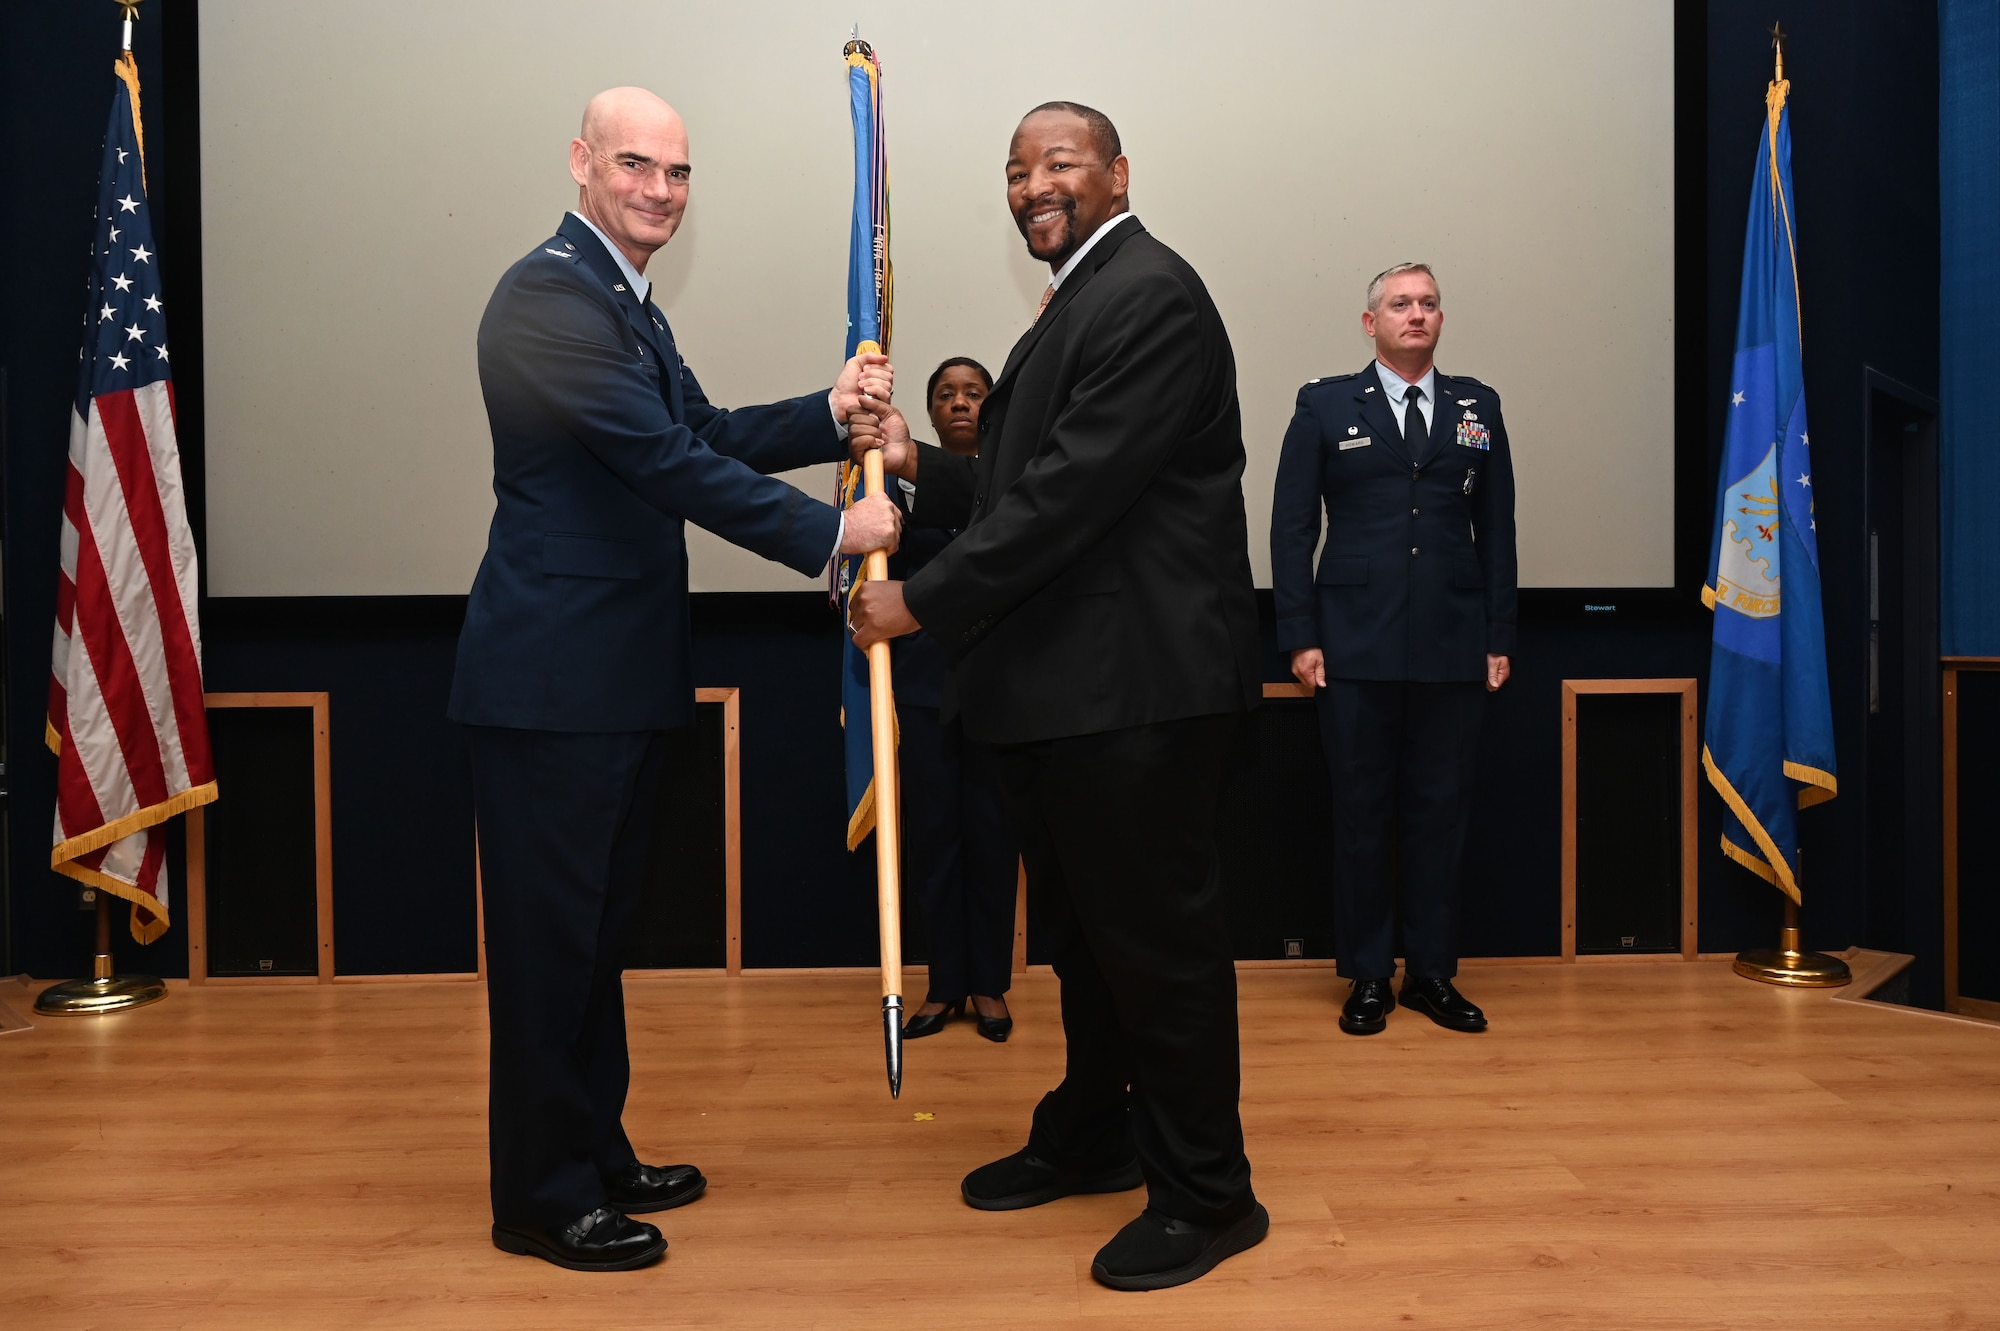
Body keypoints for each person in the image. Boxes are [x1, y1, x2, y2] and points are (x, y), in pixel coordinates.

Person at [448, 87, 902, 1273]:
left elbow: (697, 428)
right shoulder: (548, 297)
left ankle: (592, 1149)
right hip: (553, 687)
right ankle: (542, 1196)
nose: (658, 190)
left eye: (678, 174)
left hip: (613, 678)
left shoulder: (619, 300)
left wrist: (827, 410)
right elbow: (662, 465)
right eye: (636, 166)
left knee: (595, 941)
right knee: (554, 952)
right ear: (582, 162)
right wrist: (830, 534)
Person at [848, 101, 1267, 1293]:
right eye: (1017, 169)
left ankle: (1206, 1191)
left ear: (1118, 171)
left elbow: (1067, 499)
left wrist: (915, 601)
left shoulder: (1147, 294)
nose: (1034, 184)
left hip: (1134, 697)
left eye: (1060, 162)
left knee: (1158, 952)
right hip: (1066, 702)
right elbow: (1024, 482)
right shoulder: (1082, 296)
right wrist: (923, 464)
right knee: (1086, 950)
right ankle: (1096, 1133)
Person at [1267, 262, 1518, 1038]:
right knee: (1364, 813)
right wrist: (1300, 634)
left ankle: (1432, 972)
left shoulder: (1479, 405)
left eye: (1429, 303)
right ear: (1369, 321)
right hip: (1353, 642)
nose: (1417, 314)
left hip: (1452, 641)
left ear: (1441, 319)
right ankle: (1370, 973)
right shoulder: (1324, 403)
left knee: (1440, 813)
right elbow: (1291, 528)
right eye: (1401, 304)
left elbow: (1499, 531)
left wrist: (1498, 636)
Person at [893, 358, 1019, 1043]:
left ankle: (989, 984)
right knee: (936, 837)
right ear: (930, 411)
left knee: (995, 840)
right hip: (923, 684)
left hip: (1000, 684)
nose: (961, 402)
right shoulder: (895, 484)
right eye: (946, 394)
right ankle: (943, 984)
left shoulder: (1016, 478)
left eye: (973, 392)